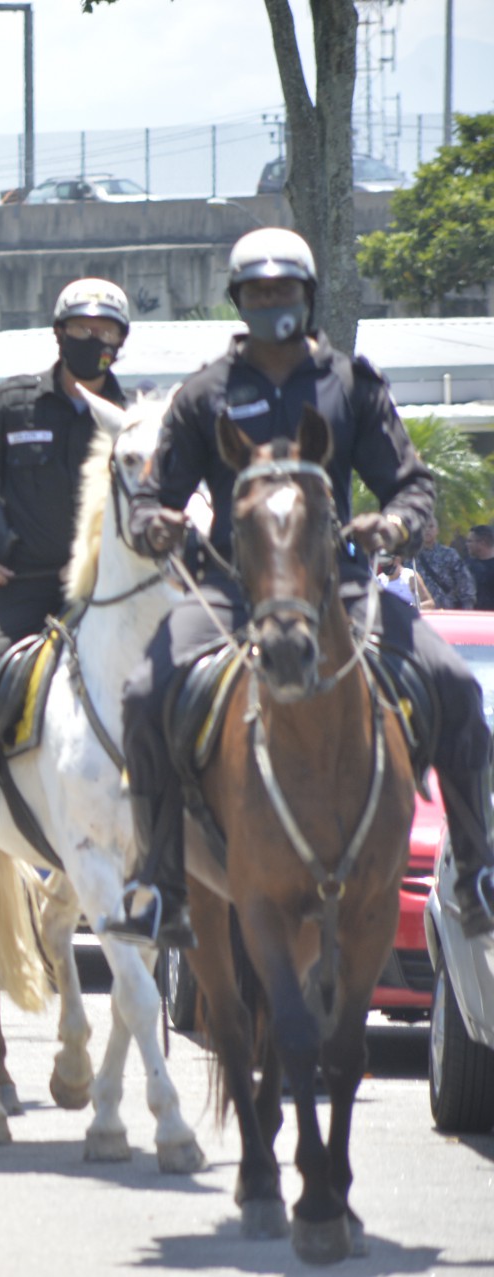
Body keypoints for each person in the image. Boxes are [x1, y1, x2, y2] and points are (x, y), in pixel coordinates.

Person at [110, 227, 494, 945]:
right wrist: (153, 522)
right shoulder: (207, 394)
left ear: (307, 297)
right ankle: (160, 881)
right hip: (231, 588)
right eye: (257, 291)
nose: (271, 302)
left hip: (339, 584)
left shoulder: (350, 383)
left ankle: (476, 867)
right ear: (239, 301)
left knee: (453, 683)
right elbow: (152, 494)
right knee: (142, 695)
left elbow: (410, 484)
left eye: (284, 290)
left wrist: (397, 524)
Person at [0, 280, 132, 892]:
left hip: (108, 595)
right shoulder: (14, 405)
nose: (94, 342)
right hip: (26, 588)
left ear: (120, 342)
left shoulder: (134, 416)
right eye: (83, 331)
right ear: (59, 334)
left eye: (106, 333)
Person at [414, 524, 475, 610]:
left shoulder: (449, 554)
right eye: (423, 527)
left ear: (437, 530)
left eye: (431, 526)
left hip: (446, 611)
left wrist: (467, 608)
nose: (427, 530)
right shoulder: (410, 557)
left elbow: (465, 583)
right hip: (419, 612)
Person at [467, 526, 494, 611]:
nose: (467, 545)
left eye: (470, 541)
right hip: (471, 617)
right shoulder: (467, 566)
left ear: (482, 543)